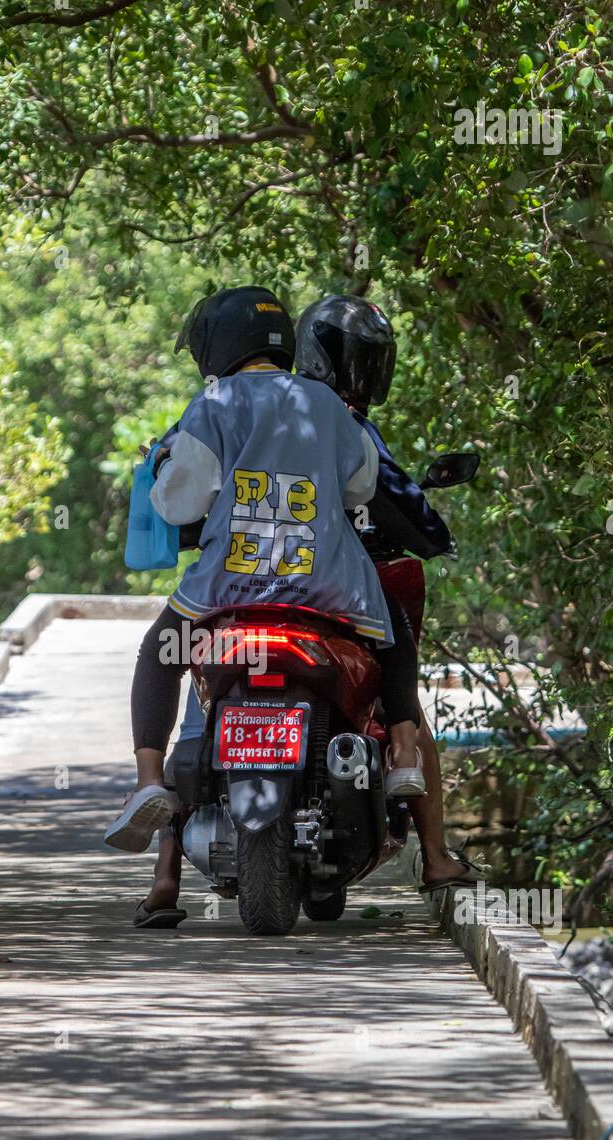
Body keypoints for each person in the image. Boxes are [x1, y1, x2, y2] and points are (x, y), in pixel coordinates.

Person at [104, 284, 425, 863]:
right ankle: (404, 759)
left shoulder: (214, 402)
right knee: (394, 635)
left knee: (160, 652)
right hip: (331, 584)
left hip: (230, 584)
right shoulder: (326, 403)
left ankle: (149, 781)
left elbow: (179, 505)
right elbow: (363, 486)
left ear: (217, 348)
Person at [294, 293, 485, 891]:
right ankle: (432, 850)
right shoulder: (347, 427)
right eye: (359, 357)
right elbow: (392, 494)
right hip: (333, 587)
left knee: (193, 686)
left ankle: (165, 872)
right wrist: (432, 534)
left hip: (248, 582)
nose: (366, 371)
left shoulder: (254, 410)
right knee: (398, 648)